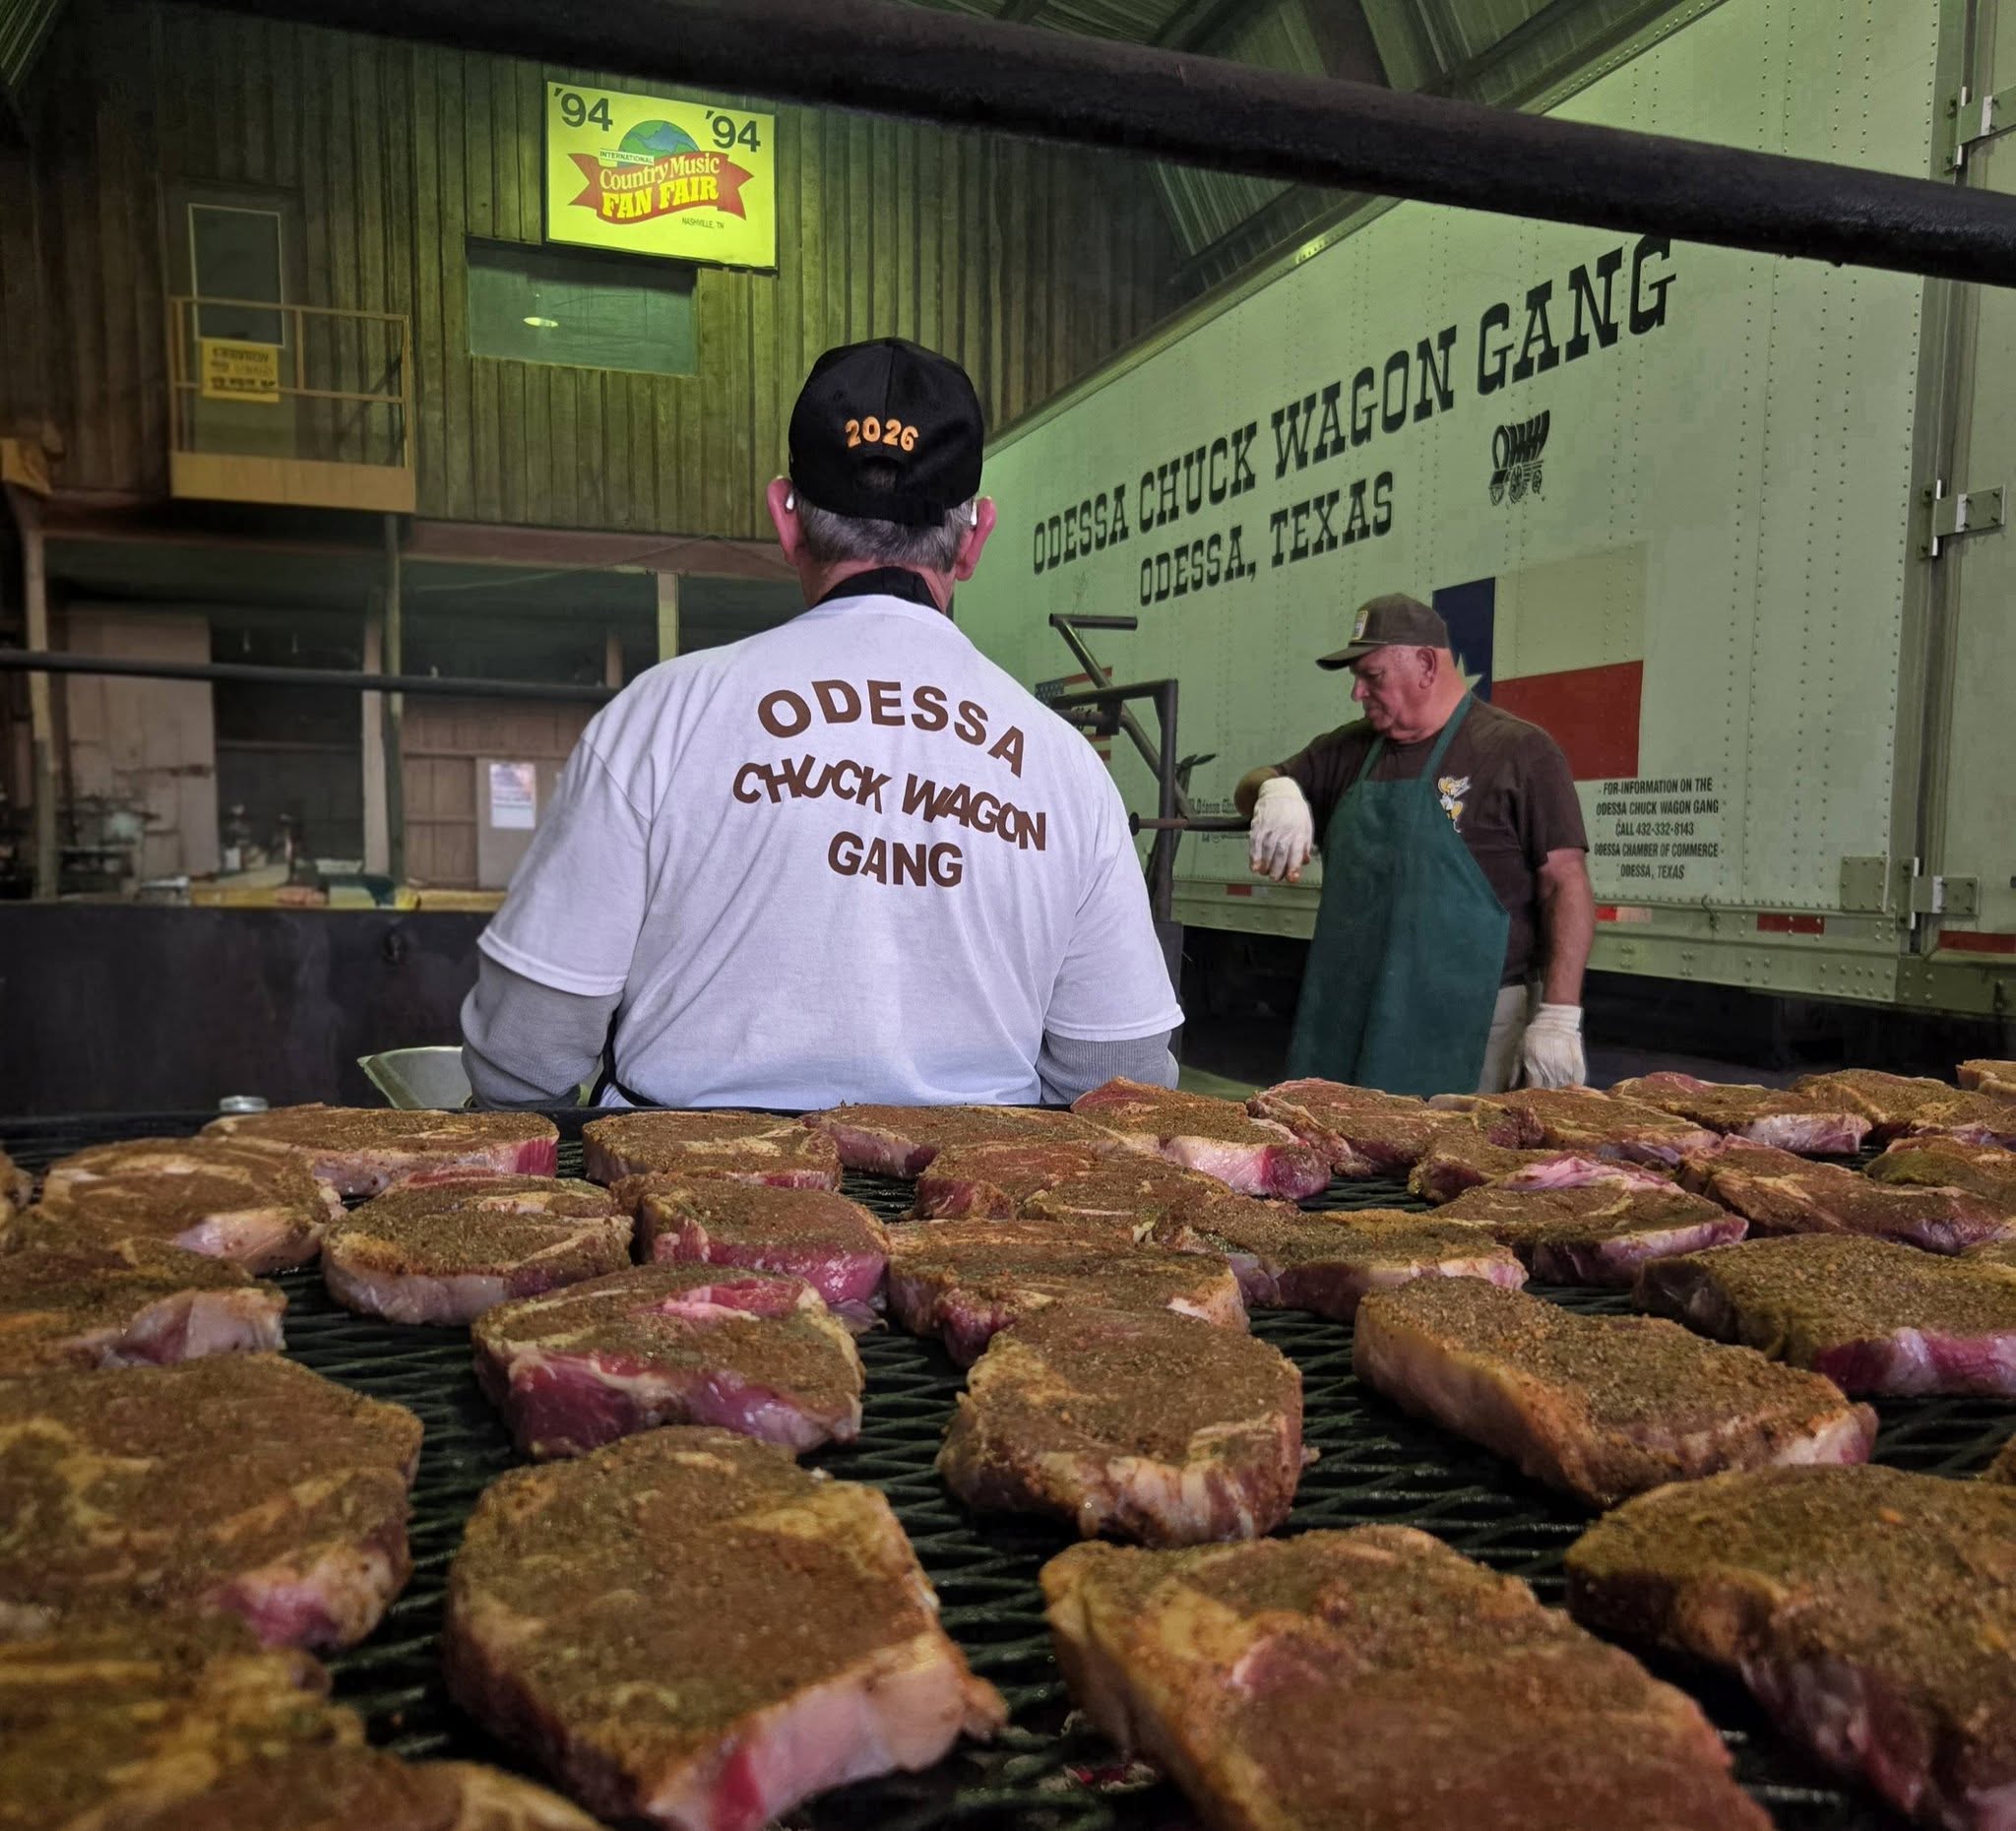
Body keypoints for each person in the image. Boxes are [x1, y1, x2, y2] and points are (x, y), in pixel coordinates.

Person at [461, 338, 1182, 1109]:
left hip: (689, 1211)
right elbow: (1120, 1070)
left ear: (786, 517)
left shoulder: (660, 717)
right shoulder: (1065, 765)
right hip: (971, 1212)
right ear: (974, 538)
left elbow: (528, 1045)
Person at [1233, 593, 1594, 1097]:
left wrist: (1558, 1014)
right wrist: (1274, 789)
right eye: (1355, 678)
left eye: (1372, 675)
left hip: (1470, 1024)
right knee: (1342, 1163)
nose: (1357, 693)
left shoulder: (1518, 752)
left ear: (1425, 665)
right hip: (1353, 1016)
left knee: (1454, 1167)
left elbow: (1565, 884)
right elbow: (1249, 784)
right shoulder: (1348, 750)